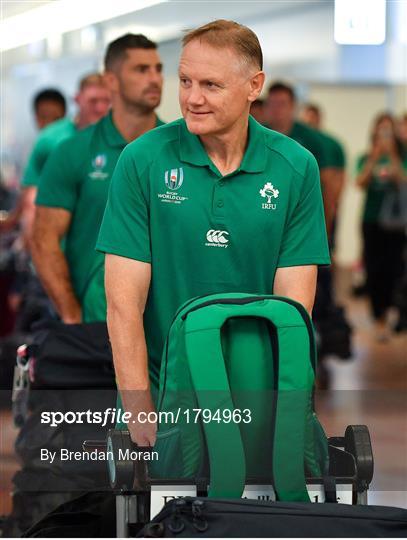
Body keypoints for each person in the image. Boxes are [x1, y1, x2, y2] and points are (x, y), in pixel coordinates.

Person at [96, 20, 330, 446]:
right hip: (164, 394)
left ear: (253, 85)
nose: (192, 98)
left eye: (211, 85)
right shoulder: (143, 161)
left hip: (254, 398)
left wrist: (286, 412)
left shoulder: (296, 167)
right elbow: (123, 305)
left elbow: (294, 310)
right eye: (185, 81)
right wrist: (139, 411)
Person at [31, 34, 164, 324]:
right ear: (112, 81)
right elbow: (44, 239)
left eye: (158, 68)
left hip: (166, 328)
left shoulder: (182, 149)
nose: (155, 78)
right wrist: (72, 316)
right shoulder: (73, 152)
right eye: (141, 70)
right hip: (95, 323)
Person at [20, 73, 111, 245]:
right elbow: (31, 196)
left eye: (106, 101)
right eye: (93, 101)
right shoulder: (51, 139)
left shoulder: (117, 140)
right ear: (77, 99)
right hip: (59, 242)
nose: (100, 108)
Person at [264, 83, 338, 239]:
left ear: (293, 107)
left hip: (300, 214)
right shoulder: (255, 135)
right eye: (272, 104)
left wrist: (325, 223)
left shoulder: (311, 138)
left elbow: (327, 182)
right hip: (265, 213)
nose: (276, 109)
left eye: (282, 104)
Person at [356, 112, 407, 341]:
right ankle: (379, 318)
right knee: (374, 271)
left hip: (396, 225)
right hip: (371, 221)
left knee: (394, 269)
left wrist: (394, 157)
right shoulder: (366, 157)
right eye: (381, 129)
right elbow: (360, 181)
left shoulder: (401, 157)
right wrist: (374, 158)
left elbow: (403, 180)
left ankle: (392, 311)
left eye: (389, 129)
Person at [300, 102, 347, 228]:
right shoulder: (295, 141)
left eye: (312, 118)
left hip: (324, 202)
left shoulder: (332, 144)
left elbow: (339, 177)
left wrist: (332, 203)